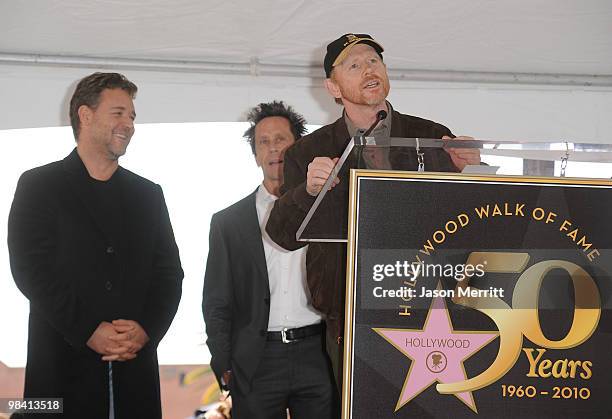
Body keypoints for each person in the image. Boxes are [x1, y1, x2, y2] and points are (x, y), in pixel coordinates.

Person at [265, 33, 481, 387]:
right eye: (354, 65)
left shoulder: (432, 136)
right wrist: (308, 190)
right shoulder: (308, 151)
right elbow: (282, 235)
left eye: (374, 61)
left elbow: (469, 223)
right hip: (349, 314)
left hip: (430, 311)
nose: (368, 69)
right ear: (333, 88)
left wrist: (472, 171)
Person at [7, 72, 183, 418]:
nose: (129, 124)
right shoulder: (39, 185)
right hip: (61, 369)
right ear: (85, 116)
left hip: (134, 374)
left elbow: (169, 274)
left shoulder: (148, 194)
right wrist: (88, 329)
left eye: (132, 116)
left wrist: (147, 330)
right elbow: (30, 270)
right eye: (118, 113)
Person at [203, 101, 337, 419]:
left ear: (298, 147)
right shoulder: (229, 222)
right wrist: (223, 362)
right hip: (257, 359)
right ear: (255, 154)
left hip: (318, 352)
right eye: (264, 141)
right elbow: (216, 301)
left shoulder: (329, 208)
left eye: (281, 139)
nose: (273, 148)